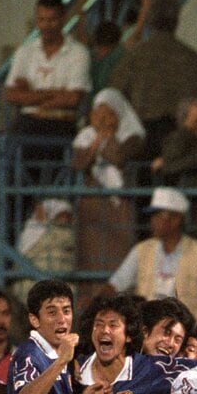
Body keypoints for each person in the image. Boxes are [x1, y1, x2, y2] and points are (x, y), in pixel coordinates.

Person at [3, 0, 91, 185]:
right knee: (16, 187)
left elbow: (73, 99)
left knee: (57, 190)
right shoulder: (24, 52)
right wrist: (55, 93)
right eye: (41, 20)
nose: (46, 26)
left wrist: (30, 94)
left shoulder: (78, 53)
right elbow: (11, 95)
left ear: (63, 19)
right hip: (28, 125)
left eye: (51, 20)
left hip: (61, 126)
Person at [110, 0, 197, 158]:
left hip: (140, 134)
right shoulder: (191, 57)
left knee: (140, 180)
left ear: (150, 21)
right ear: (176, 21)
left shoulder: (135, 55)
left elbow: (116, 93)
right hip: (181, 136)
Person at [108, 187, 197, 318]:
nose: (153, 221)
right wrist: (97, 301)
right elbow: (117, 283)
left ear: (176, 219)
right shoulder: (142, 250)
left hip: (187, 330)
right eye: (153, 216)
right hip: (149, 328)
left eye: (158, 216)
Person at [72, 88, 146, 273]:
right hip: (92, 203)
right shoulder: (85, 137)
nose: (102, 119)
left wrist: (109, 137)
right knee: (91, 258)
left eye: (109, 114)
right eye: (98, 113)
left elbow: (119, 157)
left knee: (119, 258)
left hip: (119, 203)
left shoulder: (132, 136)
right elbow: (80, 163)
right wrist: (97, 141)